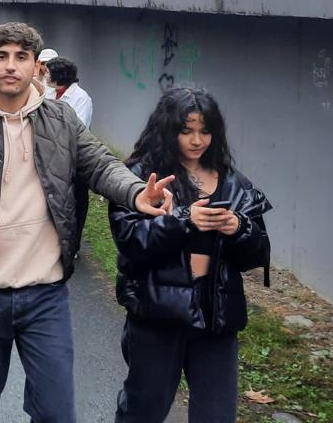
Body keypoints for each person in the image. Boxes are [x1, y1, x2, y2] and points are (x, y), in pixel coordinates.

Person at [0, 22, 174, 423]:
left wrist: (136, 192)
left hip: (46, 296)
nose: (11, 66)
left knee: (56, 412)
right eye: (1, 56)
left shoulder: (61, 119)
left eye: (21, 57)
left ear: (36, 66)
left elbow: (100, 165)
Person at [110, 87, 271, 423]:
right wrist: (183, 221)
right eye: (187, 131)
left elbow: (257, 253)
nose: (197, 140)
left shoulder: (235, 184)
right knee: (144, 410)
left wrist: (238, 228)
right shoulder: (141, 177)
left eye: (205, 131)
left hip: (216, 315)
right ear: (168, 130)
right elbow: (131, 242)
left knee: (217, 415)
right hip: (158, 313)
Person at [47, 56, 95, 251]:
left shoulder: (81, 98)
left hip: (74, 159)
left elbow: (77, 129)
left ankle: (73, 246)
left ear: (60, 76)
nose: (46, 75)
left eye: (49, 72)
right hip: (51, 157)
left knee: (76, 202)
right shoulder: (50, 93)